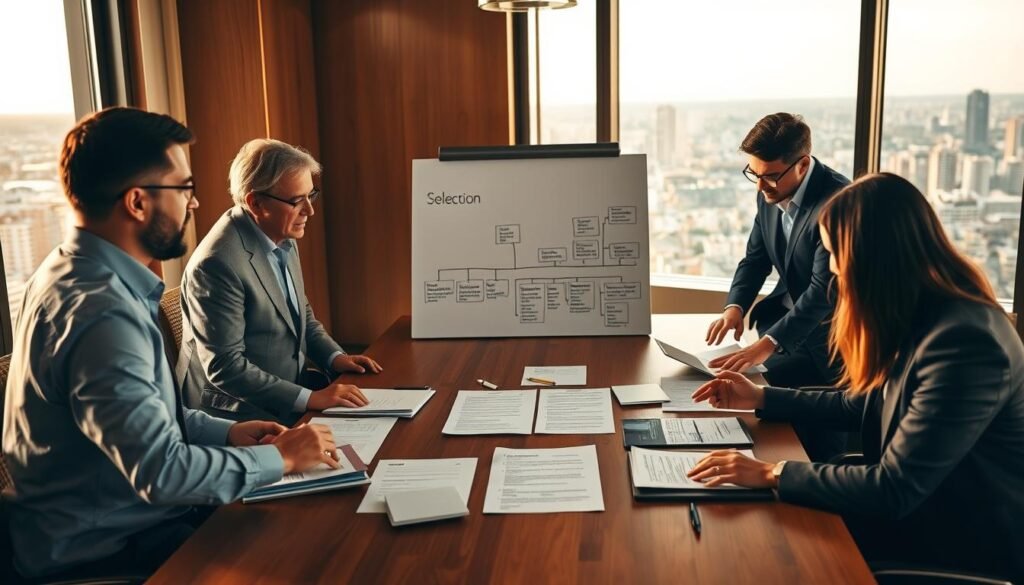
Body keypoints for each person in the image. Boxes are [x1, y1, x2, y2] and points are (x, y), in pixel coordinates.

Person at [2, 108, 341, 581]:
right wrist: (281, 458)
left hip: (123, 525)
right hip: (109, 553)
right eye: (183, 189)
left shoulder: (73, 270)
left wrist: (224, 432)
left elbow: (141, 422)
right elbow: (160, 472)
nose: (195, 205)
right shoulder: (101, 313)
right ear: (138, 202)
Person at [688, 173, 1024, 579]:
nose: (831, 269)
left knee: (764, 555)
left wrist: (770, 471)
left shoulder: (966, 343)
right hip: (917, 517)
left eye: (834, 254)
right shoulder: (927, 317)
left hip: (955, 543)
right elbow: (864, 403)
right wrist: (761, 399)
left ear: (873, 259)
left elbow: (893, 489)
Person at [179, 139, 380, 423]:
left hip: (286, 397)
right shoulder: (217, 264)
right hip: (237, 417)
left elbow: (300, 316)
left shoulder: (278, 230)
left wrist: (335, 357)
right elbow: (226, 368)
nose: (309, 211)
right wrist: (311, 398)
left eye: (312, 196)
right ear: (255, 203)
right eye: (297, 201)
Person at [705, 113, 849, 389]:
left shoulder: (838, 203)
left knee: (753, 398)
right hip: (782, 325)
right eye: (753, 174)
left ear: (803, 165)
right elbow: (756, 259)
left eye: (770, 176)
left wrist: (768, 343)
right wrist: (734, 308)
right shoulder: (770, 188)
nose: (760, 187)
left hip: (827, 343)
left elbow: (823, 291)